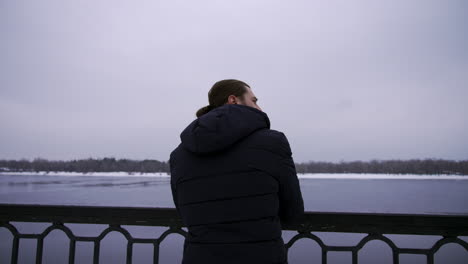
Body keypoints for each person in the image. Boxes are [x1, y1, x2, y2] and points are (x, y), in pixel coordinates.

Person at [169, 79, 304, 264]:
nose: (260, 108)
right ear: (234, 100)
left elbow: (184, 213)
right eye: (254, 100)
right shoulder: (273, 142)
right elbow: (293, 213)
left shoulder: (179, 154)